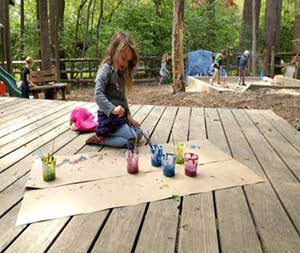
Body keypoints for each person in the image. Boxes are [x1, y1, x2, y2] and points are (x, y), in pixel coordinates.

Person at [86, 32, 142, 149]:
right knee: (132, 137)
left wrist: (128, 115)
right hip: (109, 119)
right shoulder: (106, 70)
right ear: (115, 52)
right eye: (123, 58)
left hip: (120, 119)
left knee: (138, 133)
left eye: (128, 61)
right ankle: (102, 139)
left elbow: (122, 98)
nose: (125, 63)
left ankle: (109, 138)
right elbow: (98, 95)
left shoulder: (120, 74)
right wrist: (113, 109)